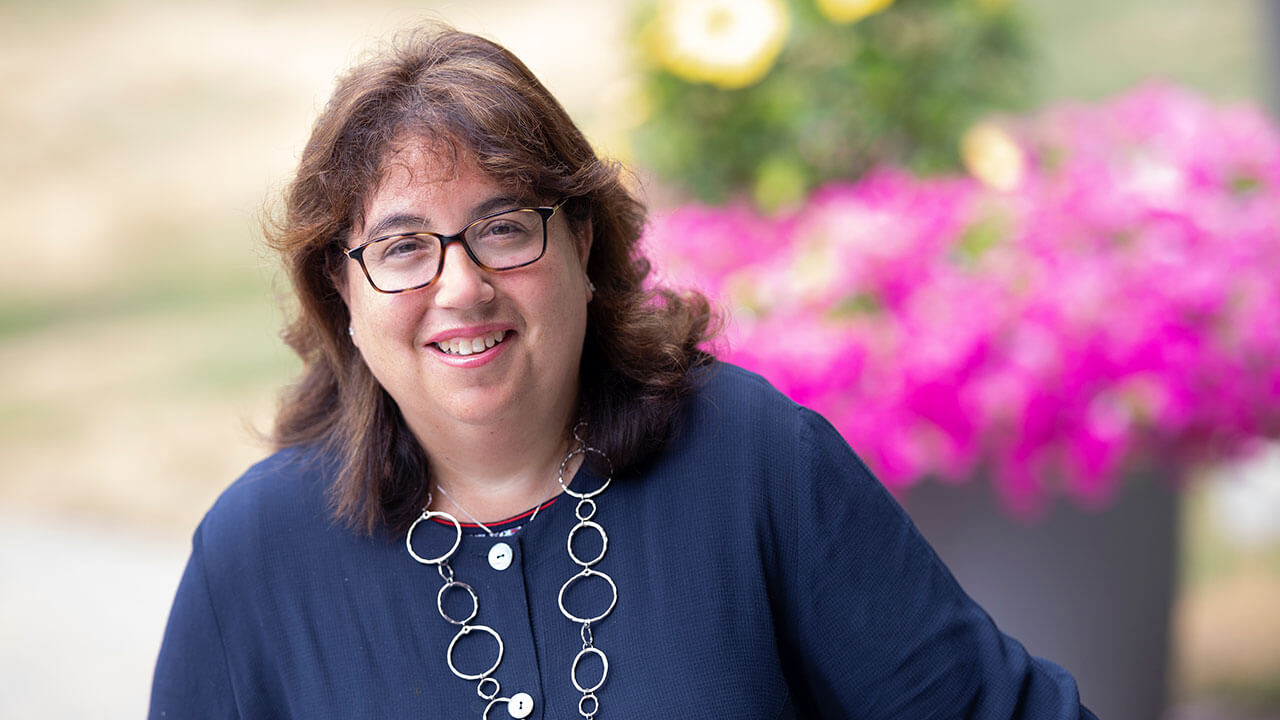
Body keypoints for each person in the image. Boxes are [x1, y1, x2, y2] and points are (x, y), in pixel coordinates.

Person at [150, 24, 1098, 720]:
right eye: (402, 248)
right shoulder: (252, 558)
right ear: (340, 293)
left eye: (504, 227)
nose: (462, 285)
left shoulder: (755, 461)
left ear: (583, 241)